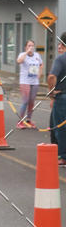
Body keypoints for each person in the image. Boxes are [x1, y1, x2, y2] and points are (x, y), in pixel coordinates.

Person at [16, 39, 43, 129]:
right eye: (29, 45)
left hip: (34, 81)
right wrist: (26, 52)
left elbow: (41, 64)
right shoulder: (22, 55)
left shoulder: (37, 55)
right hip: (25, 81)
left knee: (31, 102)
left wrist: (40, 73)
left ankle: (29, 120)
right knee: (25, 101)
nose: (31, 47)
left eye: (32, 46)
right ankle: (20, 121)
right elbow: (19, 61)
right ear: (26, 47)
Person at [48, 32, 66, 166]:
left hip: (62, 97)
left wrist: (52, 93)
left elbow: (51, 77)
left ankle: (62, 156)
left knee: (59, 127)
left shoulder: (61, 59)